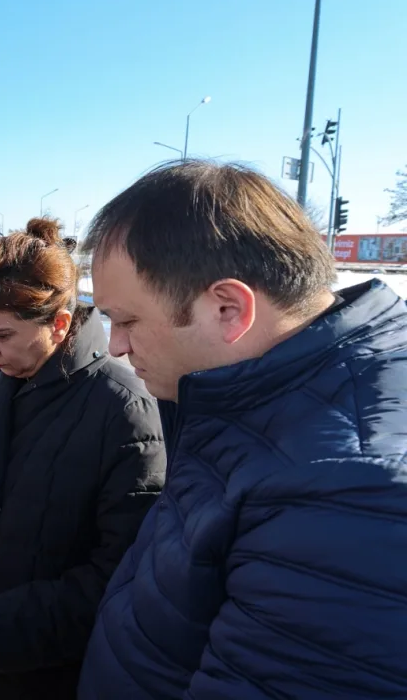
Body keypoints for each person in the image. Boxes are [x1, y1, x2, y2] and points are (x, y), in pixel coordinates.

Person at [78, 162, 407, 698]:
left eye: (128, 320)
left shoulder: (350, 495)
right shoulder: (239, 396)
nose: (115, 346)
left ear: (229, 309)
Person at [0, 218, 166, 700]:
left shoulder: (125, 412)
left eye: (0, 334)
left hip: (42, 673)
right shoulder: (4, 376)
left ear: (59, 325)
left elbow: (118, 576)